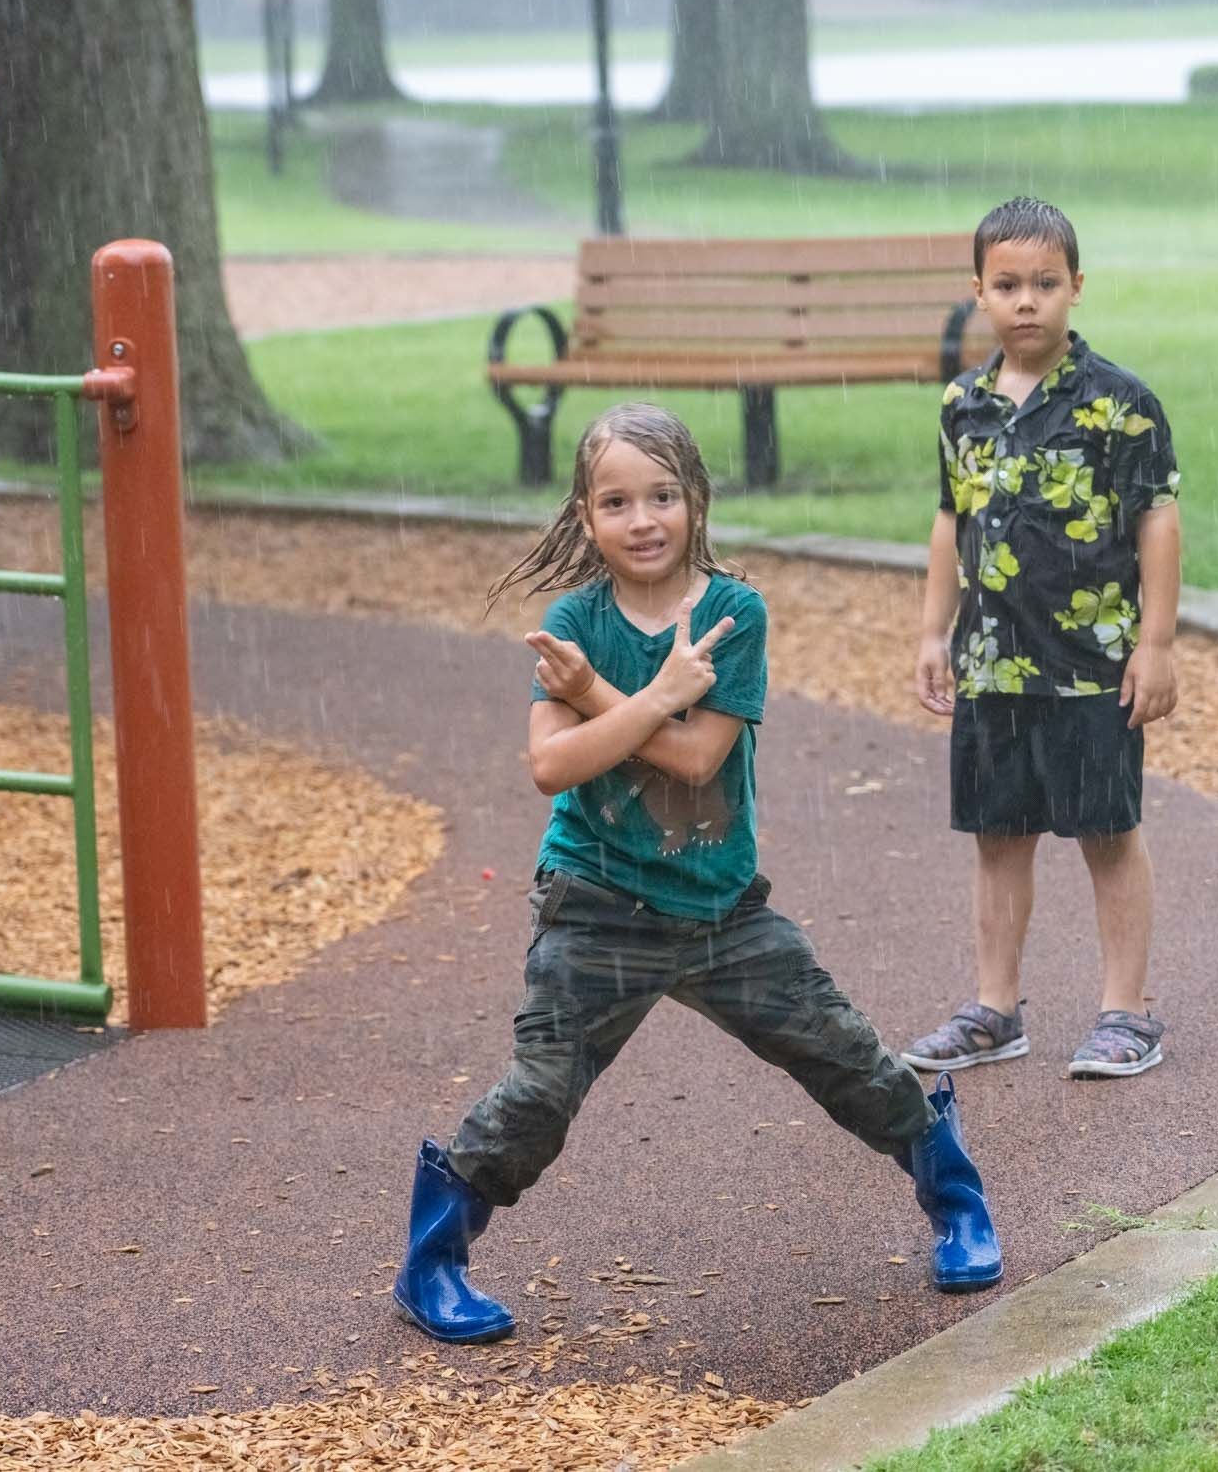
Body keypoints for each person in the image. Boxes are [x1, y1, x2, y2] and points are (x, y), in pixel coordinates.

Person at [393, 402, 1003, 1345]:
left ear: (696, 499)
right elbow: (552, 767)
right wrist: (655, 698)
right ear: (585, 517)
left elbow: (694, 764)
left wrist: (612, 696)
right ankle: (432, 1263)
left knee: (848, 1057)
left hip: (721, 913)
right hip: (594, 908)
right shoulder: (574, 619)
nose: (643, 520)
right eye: (616, 501)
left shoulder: (732, 612)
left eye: (662, 496)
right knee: (538, 1098)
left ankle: (957, 1204)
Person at [903, 196, 1183, 1083]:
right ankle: (995, 1008)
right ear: (978, 292)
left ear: (1077, 290)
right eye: (1008, 284)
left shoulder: (1119, 406)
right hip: (992, 666)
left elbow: (1157, 522)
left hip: (1091, 669)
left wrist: (1159, 643)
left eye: (1046, 284)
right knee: (998, 834)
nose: (1028, 301)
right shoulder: (963, 406)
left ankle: (1126, 1013)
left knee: (1107, 832)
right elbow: (951, 519)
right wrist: (931, 632)